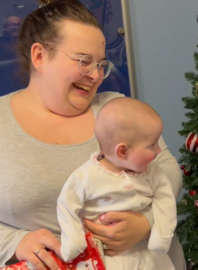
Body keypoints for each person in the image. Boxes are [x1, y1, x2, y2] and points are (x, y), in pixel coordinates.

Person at [0, 1, 184, 270]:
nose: (97, 75)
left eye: (101, 64)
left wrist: (147, 222)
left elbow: (167, 168)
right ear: (39, 56)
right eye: (84, 61)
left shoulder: (114, 109)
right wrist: (14, 241)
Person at [57, 97, 177, 269]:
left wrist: (162, 235)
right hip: (106, 257)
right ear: (122, 151)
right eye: (152, 145)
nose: (159, 150)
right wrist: (73, 240)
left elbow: (165, 199)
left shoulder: (153, 172)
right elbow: (66, 205)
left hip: (148, 253)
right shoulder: (85, 176)